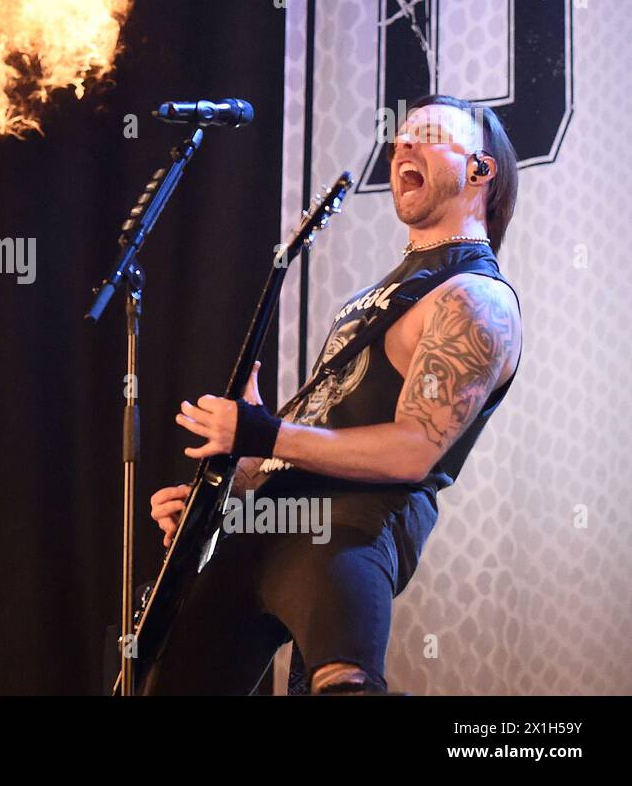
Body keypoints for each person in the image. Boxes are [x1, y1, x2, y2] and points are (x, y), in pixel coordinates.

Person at [145, 94, 523, 695]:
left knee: (343, 687)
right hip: (265, 526)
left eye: (426, 133)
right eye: (399, 137)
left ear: (480, 169)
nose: (403, 144)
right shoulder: (377, 298)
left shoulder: (475, 298)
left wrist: (264, 432)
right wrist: (228, 484)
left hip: (349, 527)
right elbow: (320, 432)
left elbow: (412, 450)